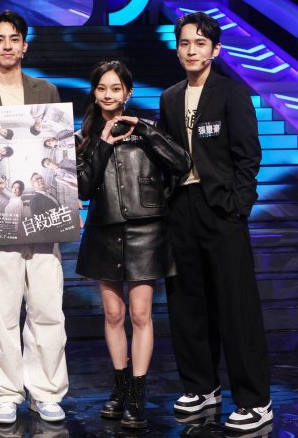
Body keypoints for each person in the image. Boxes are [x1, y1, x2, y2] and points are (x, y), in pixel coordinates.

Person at [159, 12, 271, 433]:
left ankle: (255, 401)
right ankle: (201, 387)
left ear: (215, 49)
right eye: (185, 43)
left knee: (236, 307)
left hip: (221, 210)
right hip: (181, 209)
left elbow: (248, 155)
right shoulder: (170, 97)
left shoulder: (231, 93)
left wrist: (239, 206)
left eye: (200, 43)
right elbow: (168, 154)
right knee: (187, 303)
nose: (192, 50)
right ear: (177, 48)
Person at [0, 10, 69, 425]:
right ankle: (5, 393)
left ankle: (46, 391)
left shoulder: (46, 91)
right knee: (0, 310)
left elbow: (58, 150)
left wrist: (65, 199)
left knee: (47, 308)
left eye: (14, 38)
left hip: (43, 218)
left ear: (25, 45)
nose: (7, 45)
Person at [74, 61, 191, 429]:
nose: (108, 95)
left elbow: (181, 163)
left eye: (115, 88)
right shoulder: (83, 137)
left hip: (146, 231)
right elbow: (82, 188)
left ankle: (137, 394)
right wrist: (103, 143)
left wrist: (145, 130)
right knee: (113, 314)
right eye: (102, 88)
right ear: (94, 93)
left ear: (128, 92)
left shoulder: (147, 130)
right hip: (104, 232)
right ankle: (120, 386)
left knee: (140, 314)